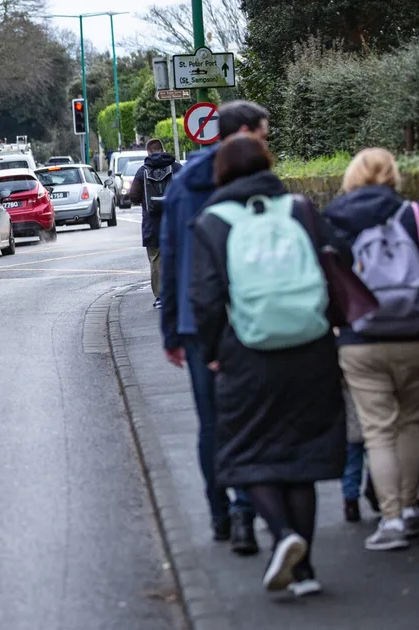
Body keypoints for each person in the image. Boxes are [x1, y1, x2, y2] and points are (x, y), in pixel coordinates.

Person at [191, 134, 347, 596]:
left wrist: (212, 352)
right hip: (311, 348)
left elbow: (205, 299)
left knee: (249, 454)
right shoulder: (299, 209)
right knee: (301, 456)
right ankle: (305, 572)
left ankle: (282, 535)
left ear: (222, 172)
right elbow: (338, 262)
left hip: (247, 353)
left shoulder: (212, 222)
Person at [323, 148, 419, 551]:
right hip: (415, 335)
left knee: (378, 431)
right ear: (392, 175)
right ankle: (412, 508)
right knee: (410, 424)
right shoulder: (412, 214)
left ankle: (392, 518)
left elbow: (324, 279)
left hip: (359, 340)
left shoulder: (334, 218)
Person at [158, 101, 272, 555]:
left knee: (212, 423)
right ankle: (246, 510)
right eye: (263, 134)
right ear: (244, 133)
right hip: (251, 314)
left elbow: (171, 255)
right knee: (255, 418)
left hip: (195, 320)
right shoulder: (257, 182)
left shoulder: (185, 181)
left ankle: (221, 513)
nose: (266, 142)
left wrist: (171, 328)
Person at [130, 138, 181, 309]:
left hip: (152, 225)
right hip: (175, 222)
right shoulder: (176, 167)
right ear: (162, 149)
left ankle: (160, 297)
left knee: (156, 261)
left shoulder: (142, 171)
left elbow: (133, 196)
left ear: (148, 152)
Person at [341, 384, 365, 523]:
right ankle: (377, 490)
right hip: (372, 424)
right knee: (377, 457)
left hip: (349, 426)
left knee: (350, 465)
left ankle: (351, 502)